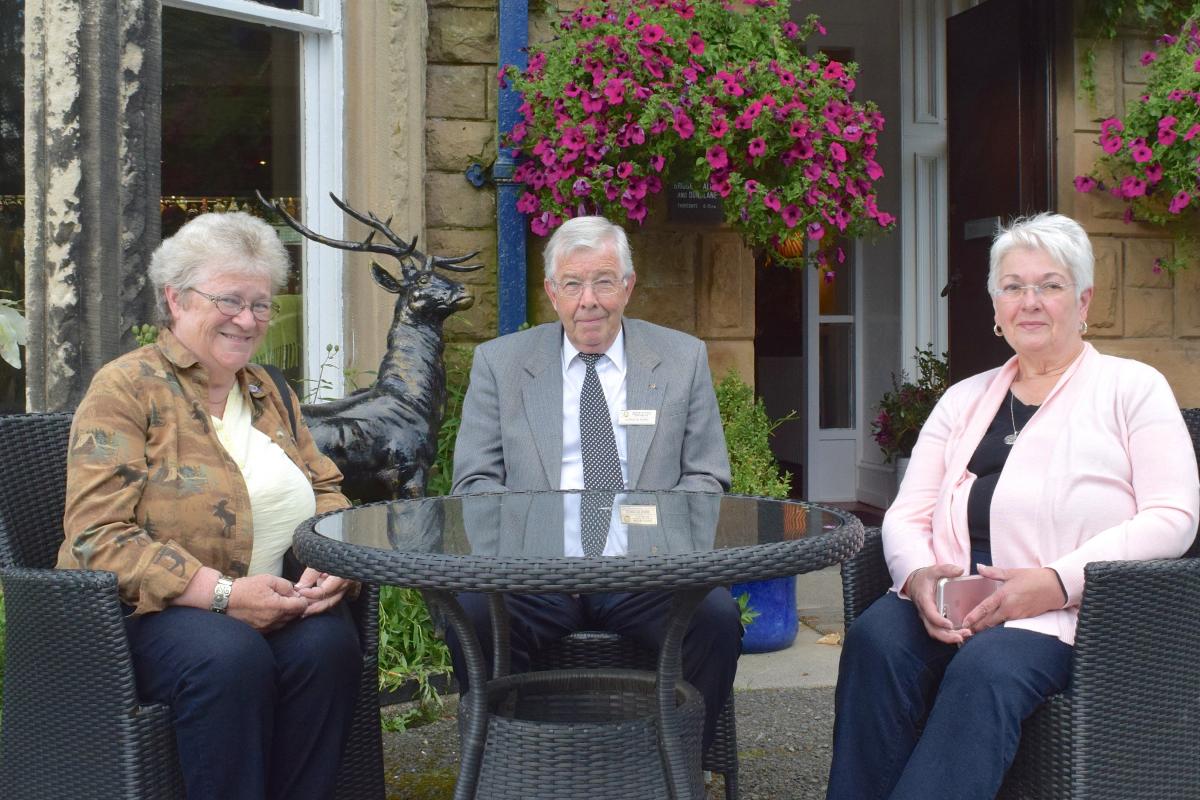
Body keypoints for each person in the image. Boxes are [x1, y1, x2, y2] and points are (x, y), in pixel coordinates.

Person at [826, 212, 1200, 800]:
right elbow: (907, 512)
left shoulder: (1133, 389)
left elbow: (1173, 517)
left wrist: (1055, 582)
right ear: (996, 307)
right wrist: (918, 576)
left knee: (987, 669)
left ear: (1083, 301)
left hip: (1070, 611)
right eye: (1012, 286)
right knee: (877, 640)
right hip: (956, 599)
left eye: (1049, 285)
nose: (1030, 301)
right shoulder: (963, 398)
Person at [58, 212, 362, 800]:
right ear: (176, 299)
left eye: (262, 305)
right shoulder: (126, 388)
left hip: (275, 598)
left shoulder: (267, 389)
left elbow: (327, 490)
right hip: (146, 618)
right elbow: (97, 535)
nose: (247, 321)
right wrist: (222, 595)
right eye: (229, 300)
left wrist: (334, 559)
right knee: (230, 656)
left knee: (328, 647)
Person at [449, 215, 740, 751]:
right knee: (469, 612)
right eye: (573, 284)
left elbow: (706, 475)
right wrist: (530, 543)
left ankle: (674, 764)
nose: (590, 300)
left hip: (646, 569)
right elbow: (475, 480)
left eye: (604, 281)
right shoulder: (501, 364)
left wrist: (660, 544)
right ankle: (513, 761)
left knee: (716, 619)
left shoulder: (681, 359)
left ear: (627, 286)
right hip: (535, 572)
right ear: (551, 292)